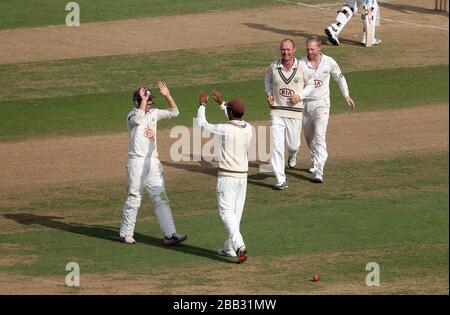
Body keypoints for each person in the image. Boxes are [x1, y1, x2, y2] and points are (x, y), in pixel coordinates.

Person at [119, 82, 187, 246]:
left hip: (153, 164)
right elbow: (138, 120)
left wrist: (167, 95)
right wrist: (143, 101)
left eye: (150, 100)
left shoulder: (154, 113)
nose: (149, 103)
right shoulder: (132, 115)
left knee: (161, 198)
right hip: (137, 162)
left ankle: (170, 234)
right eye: (146, 100)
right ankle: (125, 233)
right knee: (134, 198)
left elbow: (174, 112)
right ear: (137, 101)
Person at [197, 90, 253, 263]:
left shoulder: (225, 129)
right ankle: (229, 248)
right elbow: (233, 116)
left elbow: (202, 125)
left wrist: (202, 105)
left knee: (226, 212)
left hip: (227, 178)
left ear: (230, 112)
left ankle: (239, 246)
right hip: (243, 178)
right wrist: (223, 104)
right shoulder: (249, 127)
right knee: (236, 215)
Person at [300, 36, 355, 183]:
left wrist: (346, 95)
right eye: (307, 49)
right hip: (305, 105)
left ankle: (319, 171)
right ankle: (314, 161)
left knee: (319, 136)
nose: (309, 51)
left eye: (312, 49)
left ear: (319, 48)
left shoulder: (329, 62)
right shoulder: (301, 64)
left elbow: (339, 77)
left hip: (322, 104)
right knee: (309, 136)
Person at [264, 38, 314, 190]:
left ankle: (292, 154)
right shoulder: (274, 66)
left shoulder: (302, 67)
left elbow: (311, 83)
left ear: (294, 50)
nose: (285, 52)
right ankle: (280, 179)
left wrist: (300, 96)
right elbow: (267, 80)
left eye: (288, 50)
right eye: (283, 50)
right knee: (277, 147)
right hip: (277, 111)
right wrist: (269, 94)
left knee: (293, 145)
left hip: (295, 112)